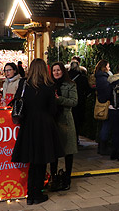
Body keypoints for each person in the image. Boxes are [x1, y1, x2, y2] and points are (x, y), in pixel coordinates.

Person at [11, 58, 65, 205]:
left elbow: (17, 102)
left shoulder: (23, 84)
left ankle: (30, 194)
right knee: (41, 161)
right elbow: (53, 110)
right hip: (45, 125)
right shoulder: (49, 85)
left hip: (28, 125)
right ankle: (37, 194)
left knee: (32, 161)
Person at [49, 62, 78, 191]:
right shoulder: (48, 85)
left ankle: (67, 178)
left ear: (63, 71)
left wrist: (59, 99)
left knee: (68, 151)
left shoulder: (70, 84)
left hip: (65, 120)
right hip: (53, 120)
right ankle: (54, 177)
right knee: (53, 151)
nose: (56, 72)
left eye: (58, 70)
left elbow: (74, 102)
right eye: (54, 70)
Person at [68, 61, 92, 143]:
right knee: (78, 121)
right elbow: (88, 90)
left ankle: (70, 138)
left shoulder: (66, 77)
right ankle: (76, 138)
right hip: (80, 102)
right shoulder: (82, 78)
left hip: (68, 102)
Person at [95, 59, 112, 155]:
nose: (109, 68)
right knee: (106, 125)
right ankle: (103, 147)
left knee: (102, 125)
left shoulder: (99, 77)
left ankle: (101, 147)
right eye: (108, 66)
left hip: (101, 104)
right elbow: (107, 92)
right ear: (104, 67)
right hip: (106, 104)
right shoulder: (104, 78)